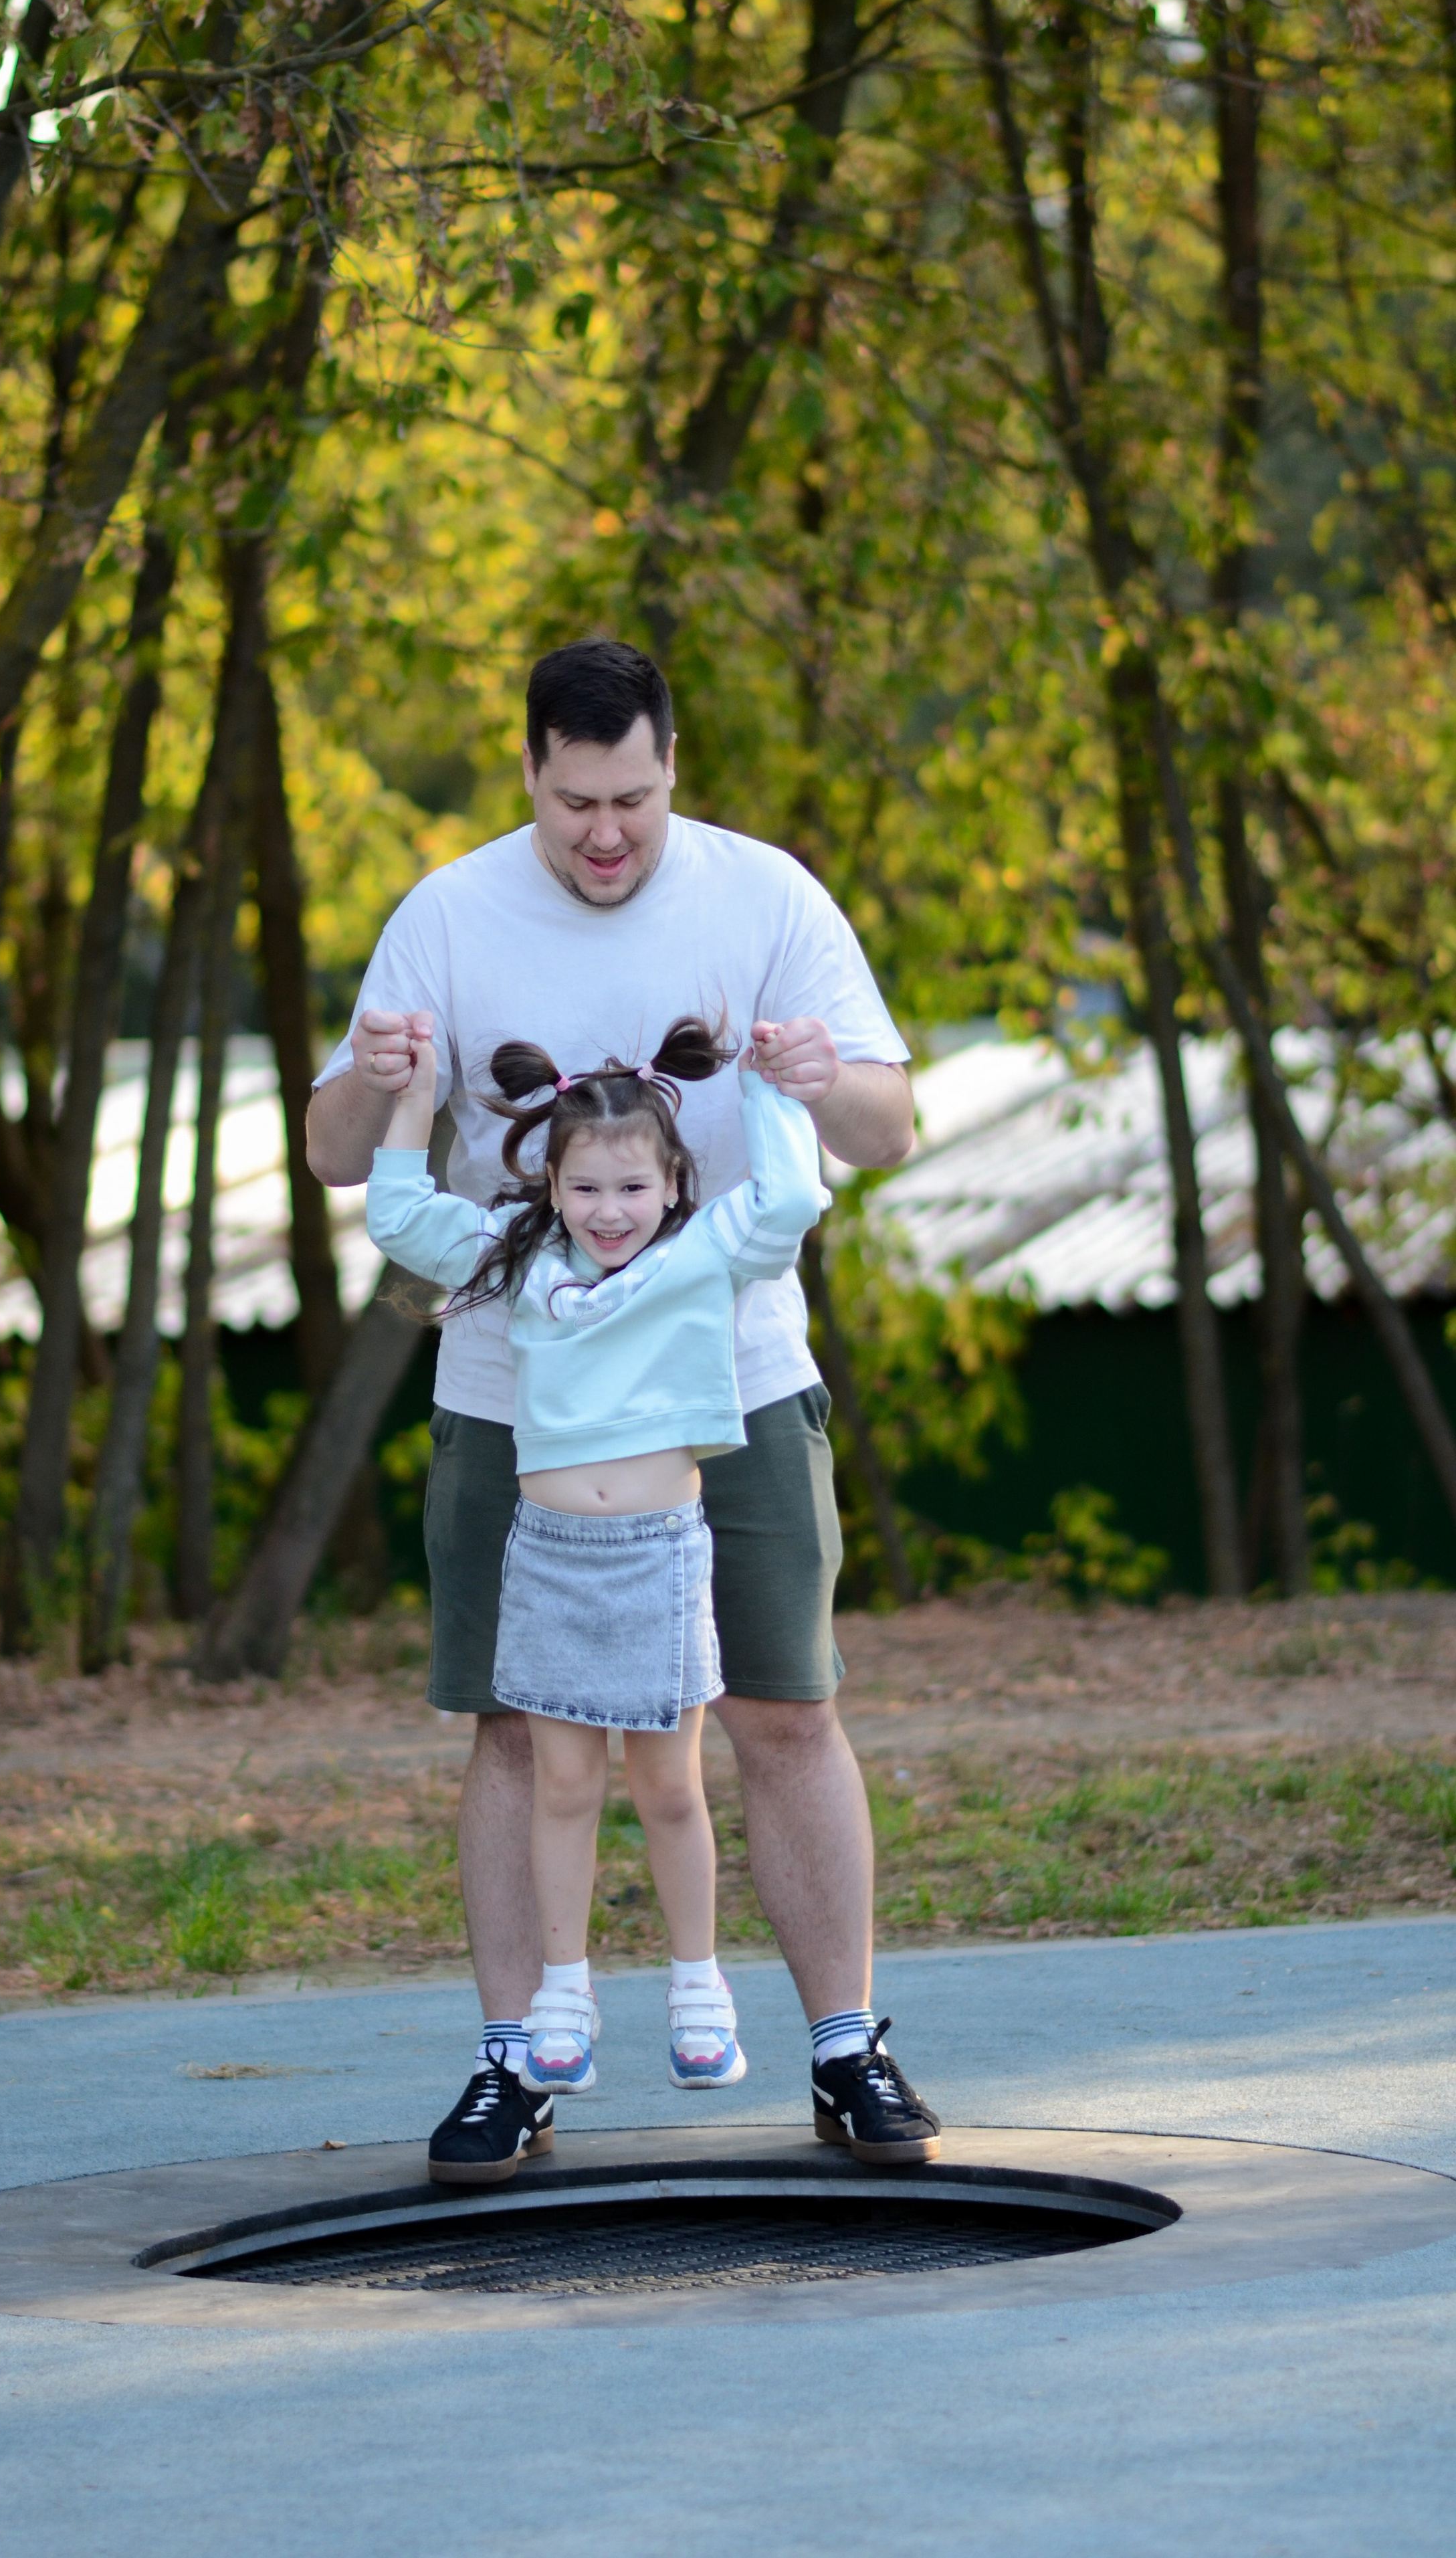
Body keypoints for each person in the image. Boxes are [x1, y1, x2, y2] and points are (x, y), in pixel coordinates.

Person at [306, 636, 942, 2183]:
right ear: (529, 769)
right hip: (512, 1400)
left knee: (783, 1710)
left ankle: (843, 2047)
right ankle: (512, 2061)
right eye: (575, 801)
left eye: (633, 801)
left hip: (732, 1386)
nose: (605, 833)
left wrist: (814, 1074)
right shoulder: (446, 914)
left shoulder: (763, 897)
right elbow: (340, 1156)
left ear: (672, 769)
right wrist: (380, 1076)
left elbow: (885, 1130)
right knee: (517, 1730)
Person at [367, 1013, 821, 2155]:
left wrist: (770, 1087)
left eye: (631, 1187)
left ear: (671, 1185)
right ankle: (561, 1992)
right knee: (563, 1785)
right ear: (551, 1186)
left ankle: (697, 1983)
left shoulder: (705, 1255)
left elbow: (790, 1202)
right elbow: (398, 1217)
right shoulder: (524, 1263)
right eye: (584, 1188)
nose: (608, 1210)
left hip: (661, 1557)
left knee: (669, 1788)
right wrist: (413, 1099)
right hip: (551, 1560)